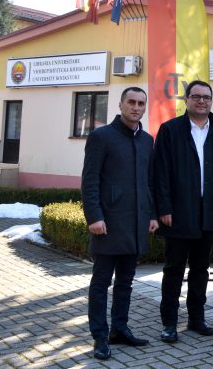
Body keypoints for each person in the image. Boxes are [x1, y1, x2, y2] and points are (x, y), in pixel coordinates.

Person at [153, 80, 213, 343]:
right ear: (186, 100)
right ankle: (169, 323)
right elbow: (160, 172)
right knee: (174, 269)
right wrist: (164, 207)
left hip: (208, 212)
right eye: (196, 96)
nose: (202, 101)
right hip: (178, 212)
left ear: (211, 101)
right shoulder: (170, 130)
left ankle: (197, 318)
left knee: (201, 268)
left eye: (206, 97)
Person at [82, 87, 158, 360]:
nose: (136, 107)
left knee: (126, 281)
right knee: (101, 282)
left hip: (136, 224)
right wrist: (94, 216)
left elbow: (149, 182)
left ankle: (120, 329)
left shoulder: (147, 140)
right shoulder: (101, 136)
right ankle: (100, 336)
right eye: (131, 102)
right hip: (108, 223)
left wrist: (152, 214)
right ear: (121, 104)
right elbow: (90, 180)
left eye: (141, 103)